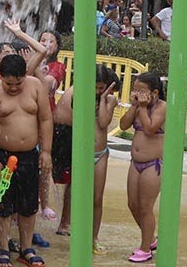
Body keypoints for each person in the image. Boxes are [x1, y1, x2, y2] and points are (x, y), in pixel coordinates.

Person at [0, 54, 51, 267]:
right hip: (3, 156)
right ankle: (3, 248)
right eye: (9, 84)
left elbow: (46, 119)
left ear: (25, 75)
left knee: (29, 204)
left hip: (30, 154)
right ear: (1, 75)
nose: (13, 88)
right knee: (2, 203)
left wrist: (46, 151)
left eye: (18, 83)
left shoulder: (36, 86)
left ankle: (26, 248)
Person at [52, 65, 118, 256]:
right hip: (81, 152)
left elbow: (103, 123)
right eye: (95, 87)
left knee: (97, 198)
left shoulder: (110, 99)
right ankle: (68, 223)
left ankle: (94, 238)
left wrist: (104, 98)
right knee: (74, 189)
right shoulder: (77, 94)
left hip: (99, 154)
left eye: (101, 87)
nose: (98, 90)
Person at [120, 72, 165, 263]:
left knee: (146, 207)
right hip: (135, 162)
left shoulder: (162, 108)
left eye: (141, 91)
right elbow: (123, 125)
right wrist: (134, 106)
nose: (137, 93)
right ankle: (150, 238)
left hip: (152, 165)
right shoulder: (138, 106)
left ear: (154, 92)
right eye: (135, 90)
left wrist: (144, 107)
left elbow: (150, 129)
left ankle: (145, 248)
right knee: (133, 204)